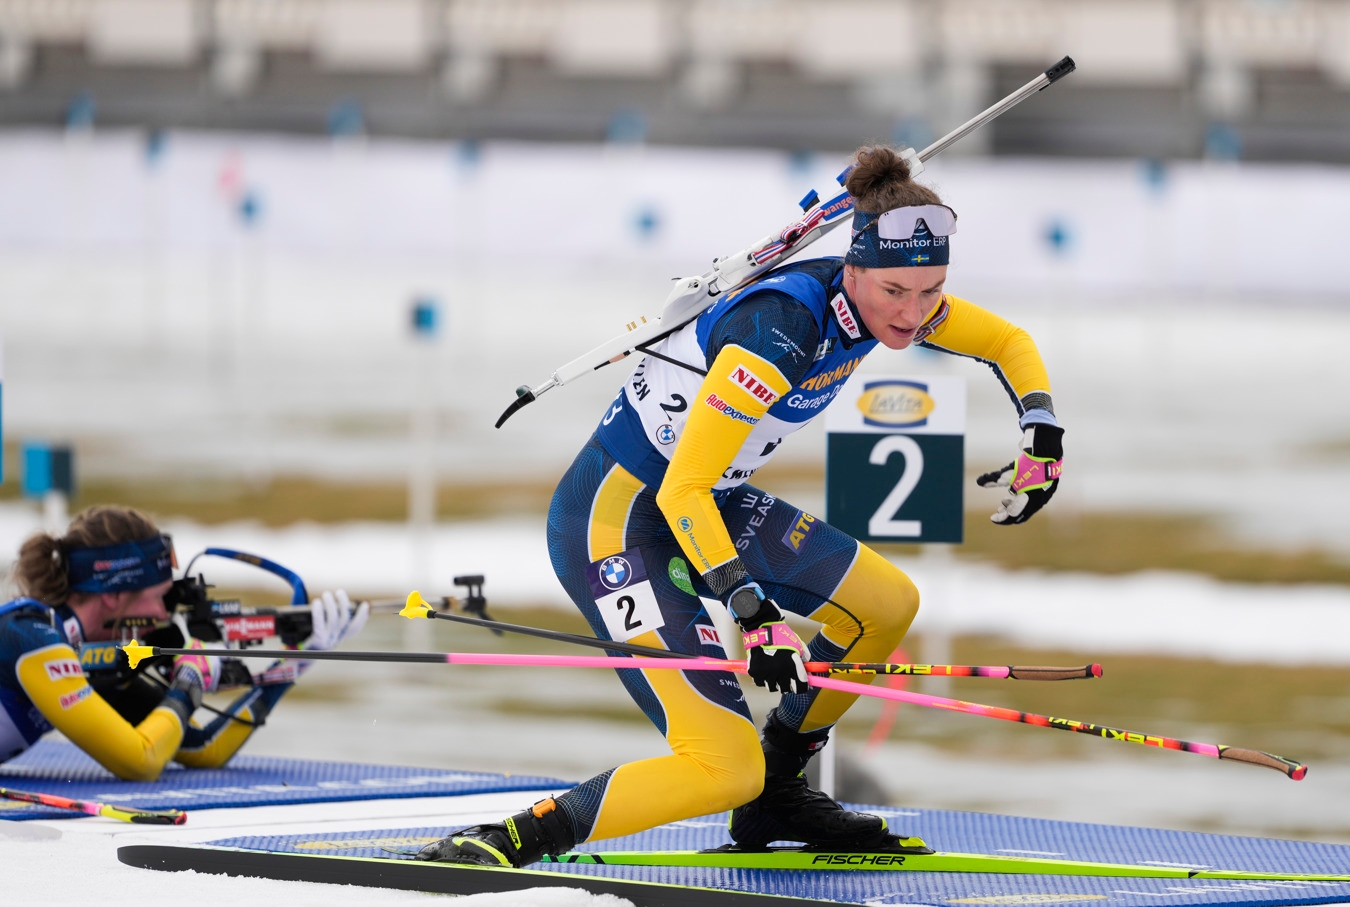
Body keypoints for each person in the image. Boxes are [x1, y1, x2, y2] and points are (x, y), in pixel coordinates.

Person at [418, 146, 1064, 865]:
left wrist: (1041, 428)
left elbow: (1009, 341)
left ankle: (777, 793)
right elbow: (679, 491)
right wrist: (752, 614)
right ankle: (508, 839)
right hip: (617, 524)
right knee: (720, 765)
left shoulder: (879, 304)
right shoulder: (778, 335)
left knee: (887, 606)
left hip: (703, 503)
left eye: (932, 292)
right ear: (850, 267)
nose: (914, 317)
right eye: (896, 292)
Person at [0, 504, 368, 779]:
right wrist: (189, 679)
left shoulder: (90, 660)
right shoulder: (31, 635)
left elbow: (204, 748)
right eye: (161, 596)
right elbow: (139, 761)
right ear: (113, 594)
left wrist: (296, 661)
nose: (165, 615)